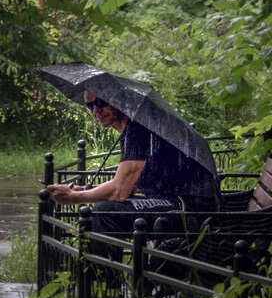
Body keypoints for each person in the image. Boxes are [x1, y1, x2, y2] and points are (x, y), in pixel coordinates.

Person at [45, 91, 219, 241]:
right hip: (176, 204)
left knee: (105, 211)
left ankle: (104, 276)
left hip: (190, 211)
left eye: (100, 102)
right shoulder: (136, 129)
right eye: (90, 106)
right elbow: (129, 185)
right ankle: (103, 271)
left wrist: (73, 198)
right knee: (104, 206)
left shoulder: (139, 128)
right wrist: (80, 189)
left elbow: (119, 192)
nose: (96, 111)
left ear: (118, 101)